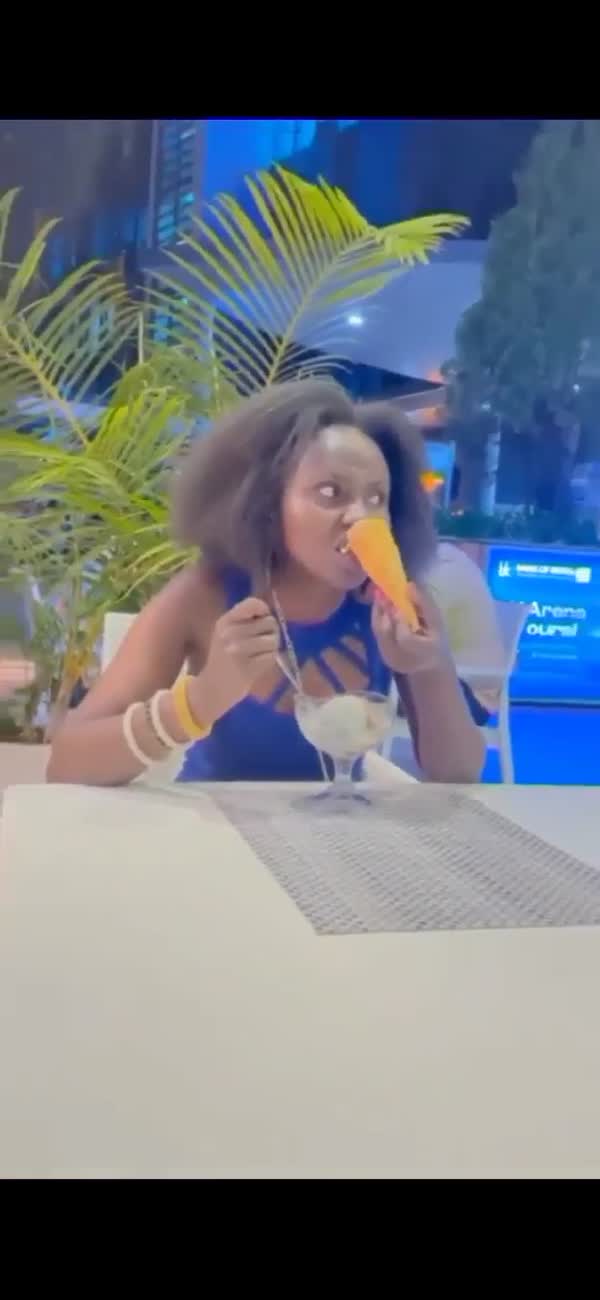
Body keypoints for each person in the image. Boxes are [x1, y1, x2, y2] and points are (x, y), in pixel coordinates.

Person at [47, 380, 486, 786]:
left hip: (341, 830)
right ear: (269, 503)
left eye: (376, 498)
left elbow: (460, 773)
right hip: (217, 828)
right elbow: (67, 764)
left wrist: (426, 666)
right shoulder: (204, 594)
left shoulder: (395, 605)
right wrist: (197, 701)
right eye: (331, 493)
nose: (360, 516)